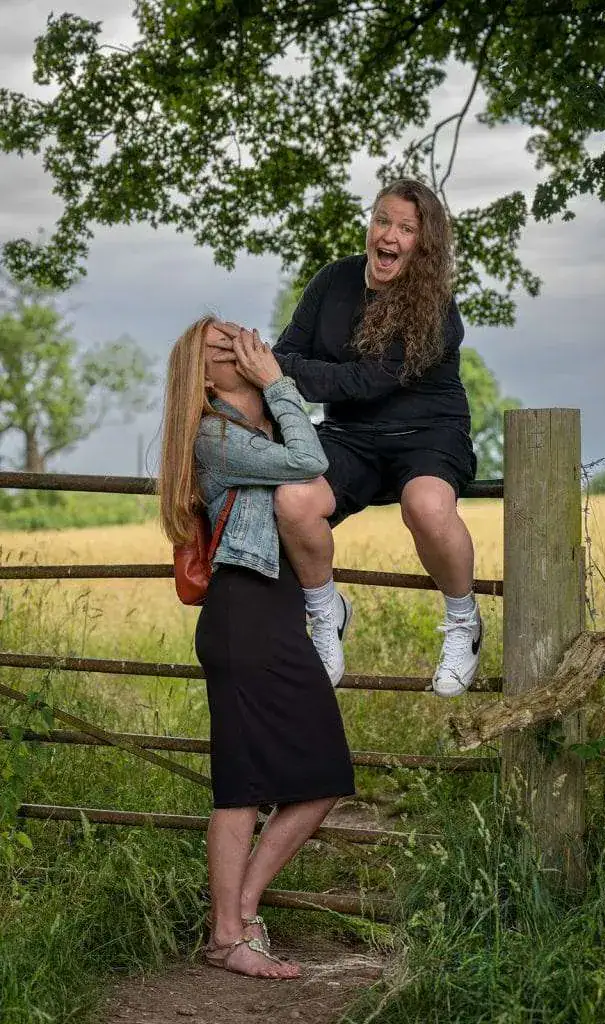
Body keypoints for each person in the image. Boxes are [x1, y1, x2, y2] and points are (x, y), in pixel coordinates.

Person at [208, 179, 482, 699]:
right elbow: (285, 353)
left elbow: (363, 380)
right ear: (370, 224)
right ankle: (325, 612)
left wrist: (282, 374)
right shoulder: (333, 280)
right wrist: (279, 371)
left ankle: (463, 623)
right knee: (293, 499)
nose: (390, 236)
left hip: (428, 432)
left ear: (425, 244)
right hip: (349, 436)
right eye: (383, 220)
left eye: (406, 228)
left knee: (425, 505)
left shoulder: (437, 307)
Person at [158, 317, 355, 980]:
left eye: (239, 335)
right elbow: (310, 463)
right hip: (243, 614)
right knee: (241, 784)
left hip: (274, 613)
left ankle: (235, 919)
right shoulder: (215, 436)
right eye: (221, 348)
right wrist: (278, 384)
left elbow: (316, 481)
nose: (239, 347)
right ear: (204, 376)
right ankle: (229, 932)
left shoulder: (261, 429)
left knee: (320, 776)